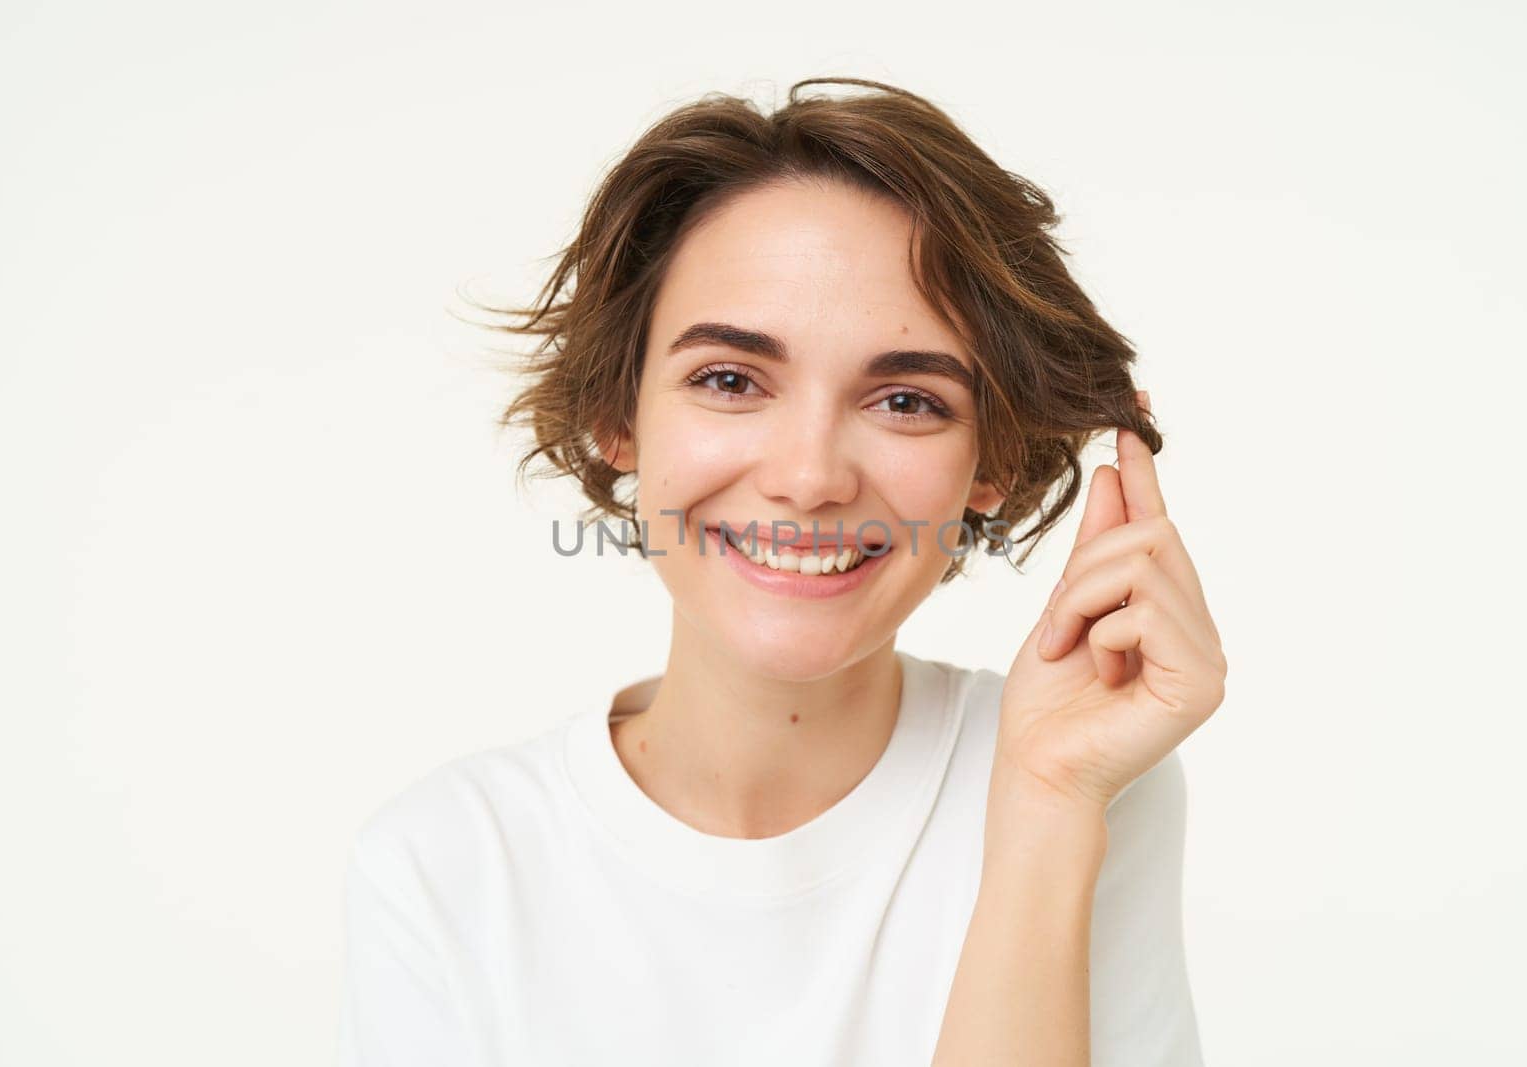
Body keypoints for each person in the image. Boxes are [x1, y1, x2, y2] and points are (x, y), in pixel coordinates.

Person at [336, 76, 1227, 1067]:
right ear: (617, 414)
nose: (809, 477)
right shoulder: (449, 863)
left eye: (905, 400)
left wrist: (1048, 806)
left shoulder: (1078, 774)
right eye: (729, 380)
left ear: (994, 459)